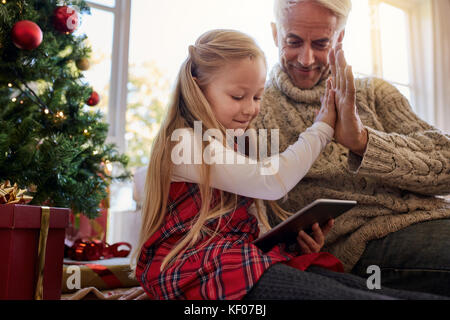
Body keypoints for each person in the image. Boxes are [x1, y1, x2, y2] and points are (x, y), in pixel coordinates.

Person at [131, 29, 444, 300]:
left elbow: (249, 220)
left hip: (238, 257)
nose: (250, 109)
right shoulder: (185, 141)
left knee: (373, 290)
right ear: (198, 88)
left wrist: (292, 238)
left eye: (257, 97)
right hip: (199, 266)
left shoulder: (233, 143)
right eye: (238, 96)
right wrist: (322, 127)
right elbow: (270, 180)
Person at [253, 0, 450, 296]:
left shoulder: (376, 92)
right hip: (363, 243)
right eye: (293, 41)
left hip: (434, 217)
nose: (306, 59)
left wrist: (362, 142)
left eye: (321, 43)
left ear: (340, 38)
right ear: (274, 34)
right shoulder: (252, 110)